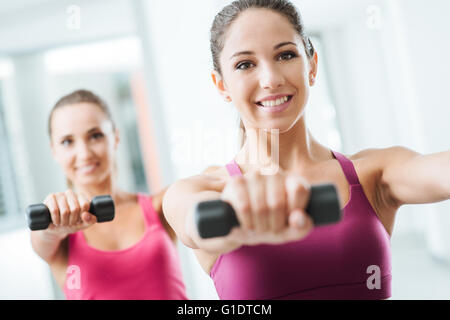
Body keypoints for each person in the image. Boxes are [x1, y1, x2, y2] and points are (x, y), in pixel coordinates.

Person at [163, 0, 450, 300]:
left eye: (285, 55)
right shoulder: (199, 191)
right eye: (245, 64)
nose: (271, 79)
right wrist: (236, 210)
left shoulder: (374, 173)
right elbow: (192, 220)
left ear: (311, 66)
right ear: (221, 85)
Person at [30, 89, 188, 300]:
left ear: (115, 137)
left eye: (95, 136)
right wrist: (54, 227)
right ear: (54, 151)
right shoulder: (55, 231)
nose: (84, 154)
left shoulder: (160, 207)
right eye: (67, 141)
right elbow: (43, 237)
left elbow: (195, 190)